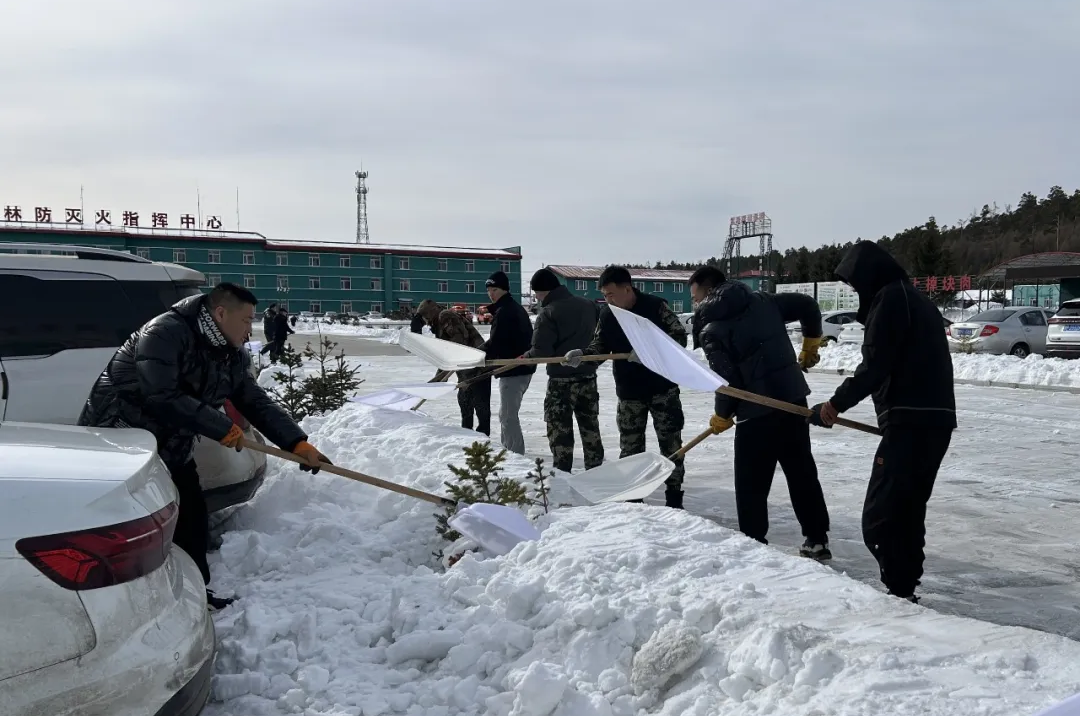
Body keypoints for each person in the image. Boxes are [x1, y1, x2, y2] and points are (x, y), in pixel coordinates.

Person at [77, 283, 330, 610]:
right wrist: (220, 426)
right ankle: (123, 605)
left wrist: (297, 442)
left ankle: (195, 595)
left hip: (172, 444)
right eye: (246, 321)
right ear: (221, 313)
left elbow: (253, 400)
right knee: (130, 529)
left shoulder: (230, 352)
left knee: (192, 520)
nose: (250, 331)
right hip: (123, 444)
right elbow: (161, 395)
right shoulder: (164, 333)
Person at [807, 241, 956, 603]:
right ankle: (904, 589)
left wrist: (834, 405)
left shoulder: (890, 299)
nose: (855, 291)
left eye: (854, 283)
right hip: (934, 421)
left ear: (868, 276)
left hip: (910, 423)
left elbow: (875, 365)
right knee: (908, 510)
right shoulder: (915, 298)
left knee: (881, 516)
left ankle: (899, 591)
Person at [689, 265, 832, 559]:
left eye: (695, 296)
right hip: (792, 401)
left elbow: (728, 381)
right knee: (801, 473)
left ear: (708, 291)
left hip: (755, 413)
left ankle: (754, 544)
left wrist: (722, 415)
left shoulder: (711, 329)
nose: (695, 303)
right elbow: (807, 305)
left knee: (751, 482)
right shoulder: (763, 300)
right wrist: (811, 343)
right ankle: (817, 540)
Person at [566, 265, 687, 508]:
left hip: (662, 389)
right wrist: (584, 356)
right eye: (604, 295)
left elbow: (679, 337)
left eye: (611, 294)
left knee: (670, 444)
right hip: (629, 392)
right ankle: (633, 499)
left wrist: (649, 351)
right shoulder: (608, 315)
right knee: (631, 449)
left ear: (627, 289)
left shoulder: (655, 307)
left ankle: (674, 497)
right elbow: (600, 346)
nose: (608, 299)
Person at [524, 268, 603, 473]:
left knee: (560, 432)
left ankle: (562, 475)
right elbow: (601, 340)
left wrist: (526, 357)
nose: (536, 298)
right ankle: (597, 473)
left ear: (544, 291)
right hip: (588, 378)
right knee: (590, 429)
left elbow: (542, 351)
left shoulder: (548, 312)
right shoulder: (589, 305)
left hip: (561, 383)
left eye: (536, 293)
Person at [417, 299, 491, 436]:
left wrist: (442, 374)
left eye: (425, 316)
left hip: (477, 367)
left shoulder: (445, 316)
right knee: (465, 403)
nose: (425, 320)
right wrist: (439, 376)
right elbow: (447, 352)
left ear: (431, 313)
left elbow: (458, 343)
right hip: (466, 368)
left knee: (480, 405)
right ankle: (468, 437)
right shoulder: (438, 323)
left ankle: (483, 441)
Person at [482, 271, 535, 455]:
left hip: (514, 369)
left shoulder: (506, 311)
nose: (491, 294)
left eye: (495, 290)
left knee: (508, 416)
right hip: (519, 368)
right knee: (506, 414)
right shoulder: (510, 308)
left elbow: (495, 342)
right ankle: (510, 451)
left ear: (504, 289)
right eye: (489, 290)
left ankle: (514, 455)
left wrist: (476, 354)